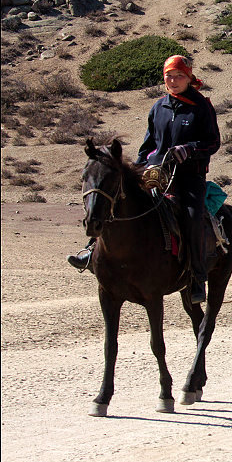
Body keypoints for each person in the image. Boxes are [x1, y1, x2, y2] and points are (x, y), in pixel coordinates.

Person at [68, 55, 220, 304]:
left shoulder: (201, 107)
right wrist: (138, 167)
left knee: (192, 215)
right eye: (169, 76)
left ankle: (196, 276)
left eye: (179, 76)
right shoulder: (158, 107)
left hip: (188, 176)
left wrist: (189, 149)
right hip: (154, 172)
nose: (173, 81)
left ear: (189, 78)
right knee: (114, 198)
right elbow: (150, 143)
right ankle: (90, 250)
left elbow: (213, 142)